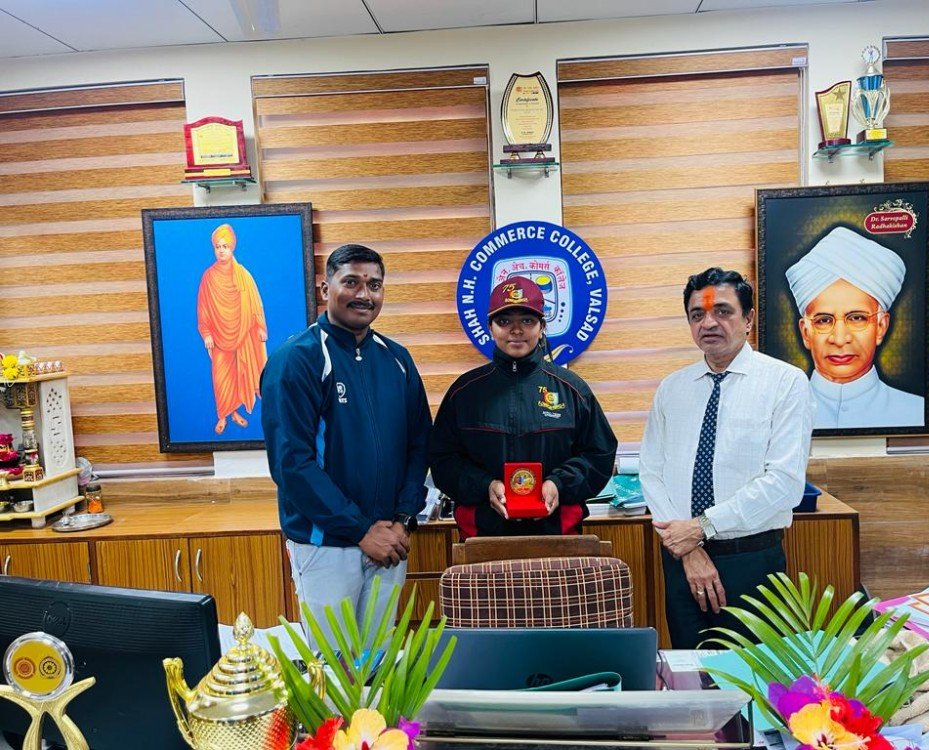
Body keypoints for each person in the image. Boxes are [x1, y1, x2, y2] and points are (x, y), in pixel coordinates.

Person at [261, 244, 432, 646]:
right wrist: (360, 530)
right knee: (332, 666)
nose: (364, 294)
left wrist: (403, 518)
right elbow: (292, 464)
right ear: (326, 288)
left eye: (374, 285)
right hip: (326, 544)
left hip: (389, 540)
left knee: (377, 663)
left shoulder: (398, 360)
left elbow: (420, 444)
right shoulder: (297, 359)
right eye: (351, 282)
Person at [639, 268, 813, 650]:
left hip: (750, 559)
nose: (708, 323)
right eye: (697, 314)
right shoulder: (672, 388)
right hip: (682, 560)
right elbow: (651, 471)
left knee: (756, 676)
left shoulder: (785, 382)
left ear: (748, 319)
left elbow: (784, 484)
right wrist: (689, 546)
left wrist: (702, 527)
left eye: (722, 311)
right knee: (691, 672)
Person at [429, 276, 617, 539]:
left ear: (542, 326)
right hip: (483, 536)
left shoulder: (572, 390)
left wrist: (558, 484)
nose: (516, 330)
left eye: (527, 321)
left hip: (558, 536)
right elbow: (442, 460)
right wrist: (486, 486)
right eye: (504, 321)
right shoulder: (464, 393)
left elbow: (600, 454)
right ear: (490, 327)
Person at [785, 226, 924, 429]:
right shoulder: (780, 414)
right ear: (806, 333)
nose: (840, 339)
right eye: (824, 320)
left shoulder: (915, 412)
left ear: (881, 327)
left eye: (857, 318)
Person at [196, 223, 268, 435]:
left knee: (240, 373)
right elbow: (203, 308)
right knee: (222, 377)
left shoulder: (243, 275)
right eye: (217, 247)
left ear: (232, 247)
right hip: (219, 336)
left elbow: (255, 304)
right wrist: (206, 333)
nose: (221, 251)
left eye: (225, 246)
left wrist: (260, 327)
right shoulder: (208, 277)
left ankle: (235, 412)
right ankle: (223, 415)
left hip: (243, 332)